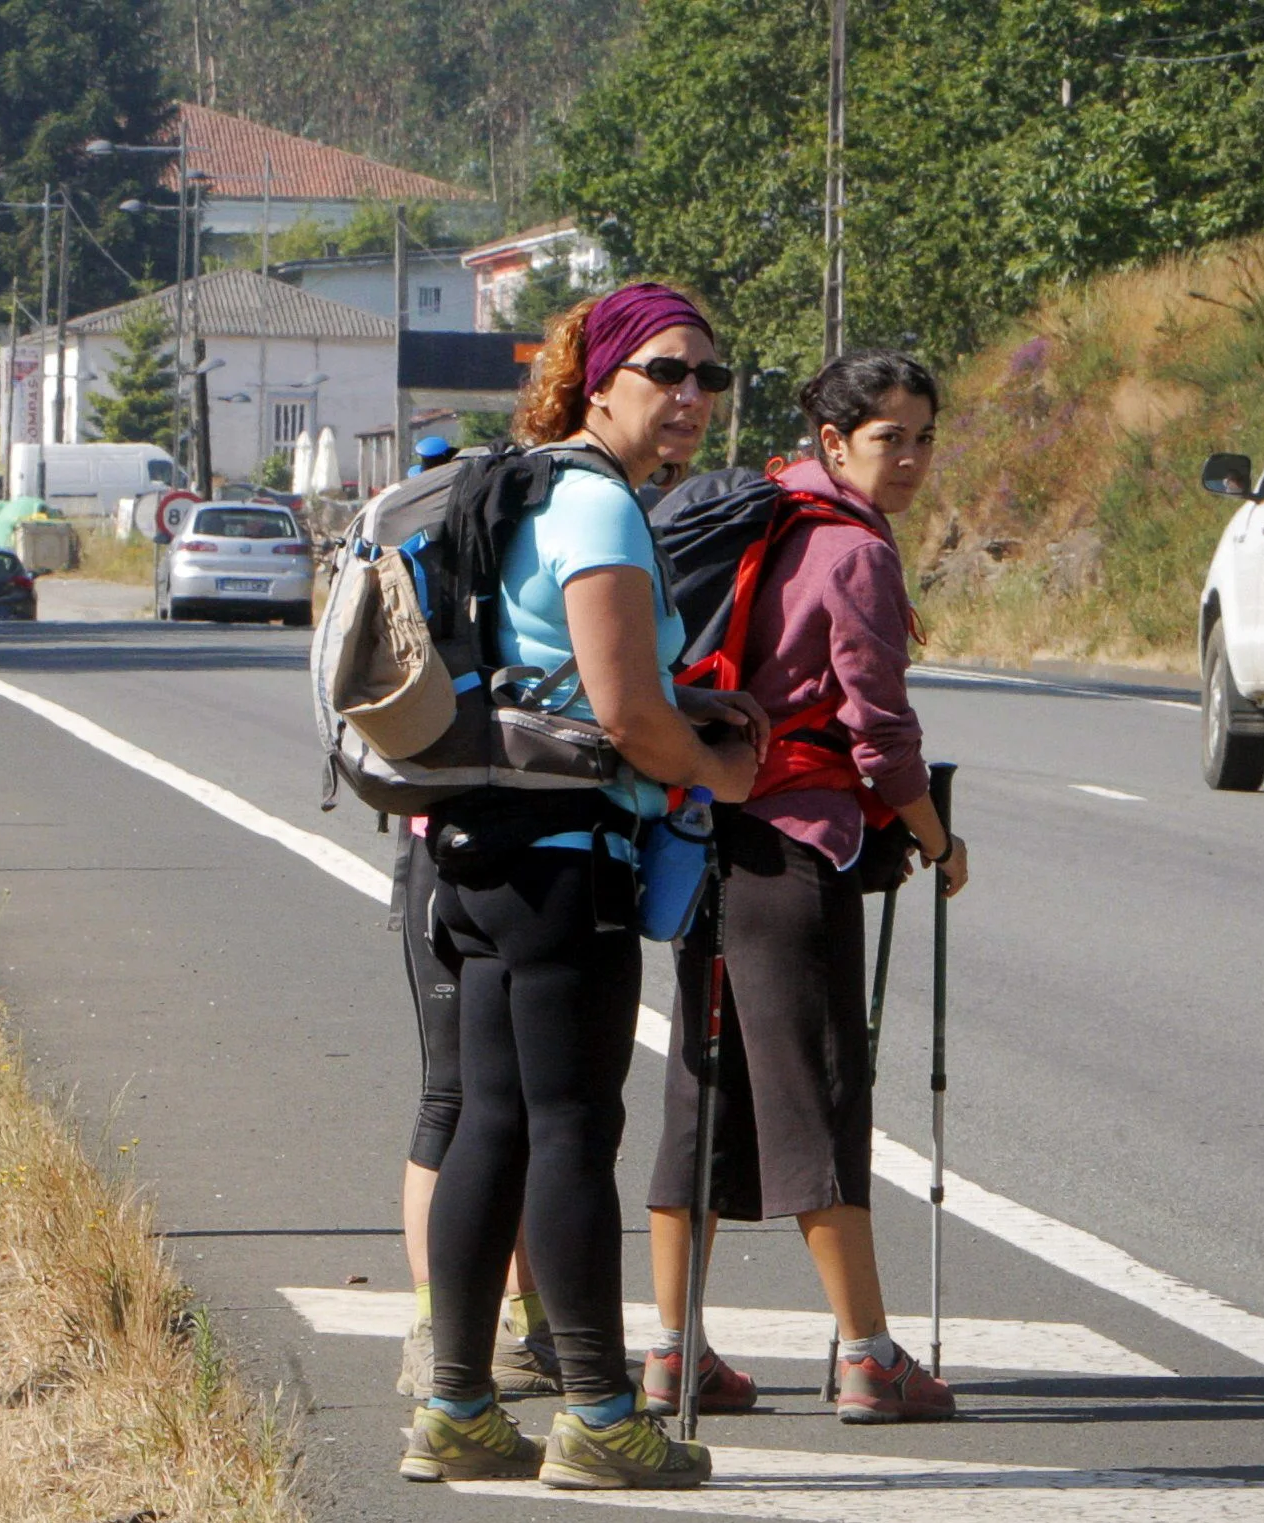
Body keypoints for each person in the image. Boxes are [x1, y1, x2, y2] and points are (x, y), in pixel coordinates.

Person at [399, 283, 762, 1489]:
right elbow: (623, 711)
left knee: (492, 1124)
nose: (692, 396)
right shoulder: (597, 505)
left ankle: (454, 1406)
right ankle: (602, 1413)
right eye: (666, 370)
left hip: (476, 845)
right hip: (567, 859)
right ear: (597, 377)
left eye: (708, 376)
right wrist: (715, 762)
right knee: (570, 1129)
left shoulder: (519, 485)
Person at [640, 350, 969, 1425]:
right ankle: (868, 1357)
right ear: (835, 443)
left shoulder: (762, 517)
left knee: (703, 1092)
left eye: (922, 435)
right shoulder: (852, 551)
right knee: (820, 1096)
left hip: (708, 837)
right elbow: (878, 734)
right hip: (793, 851)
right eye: (890, 438)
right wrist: (936, 836)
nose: (911, 458)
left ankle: (674, 1350)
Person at [390, 815, 557, 1401]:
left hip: (540, 846)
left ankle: (532, 1326)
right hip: (450, 842)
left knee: (531, 1095)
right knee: (452, 1093)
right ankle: (435, 1329)